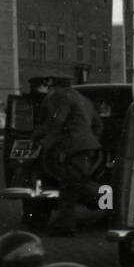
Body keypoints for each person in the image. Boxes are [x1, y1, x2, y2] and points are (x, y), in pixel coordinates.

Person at [33, 77, 103, 236]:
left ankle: (67, 226)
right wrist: (92, 140)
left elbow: (58, 121)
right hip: (88, 147)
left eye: (52, 88)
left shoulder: (63, 97)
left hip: (74, 147)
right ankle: (65, 225)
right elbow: (98, 125)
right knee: (71, 185)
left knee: (71, 186)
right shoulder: (84, 99)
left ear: (57, 87)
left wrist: (42, 137)